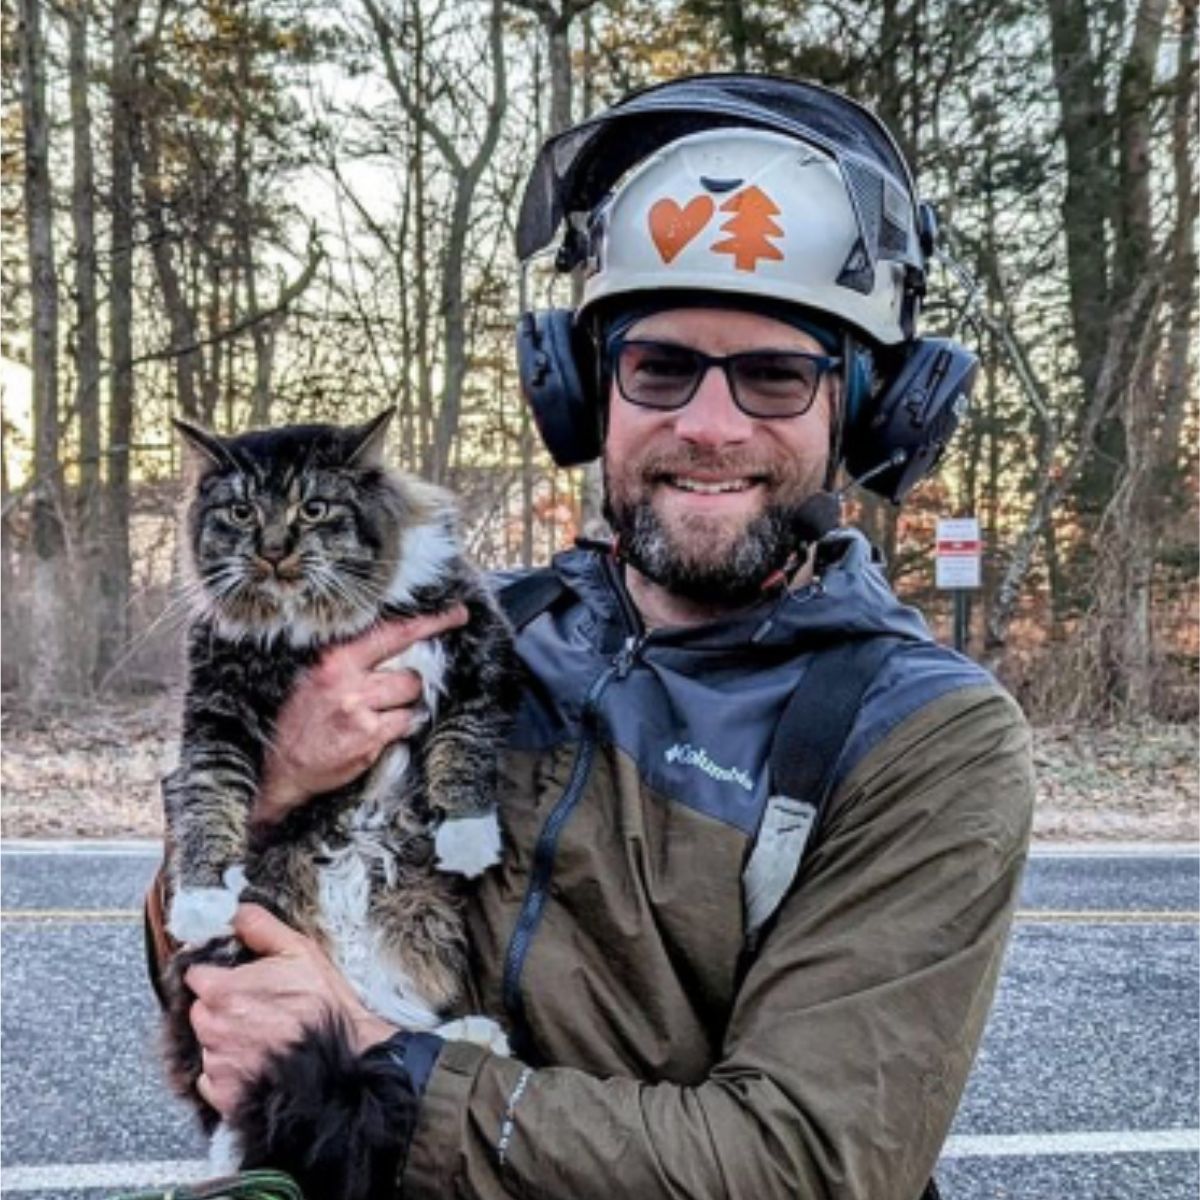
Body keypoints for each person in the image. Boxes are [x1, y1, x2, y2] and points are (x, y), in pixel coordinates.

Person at [172, 74, 1034, 1200]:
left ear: (869, 412)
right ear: (583, 390)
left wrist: (379, 1071)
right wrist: (271, 792)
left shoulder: (922, 737)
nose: (708, 425)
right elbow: (214, 1007)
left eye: (776, 375)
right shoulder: (470, 634)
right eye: (660, 365)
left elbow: (806, 1168)